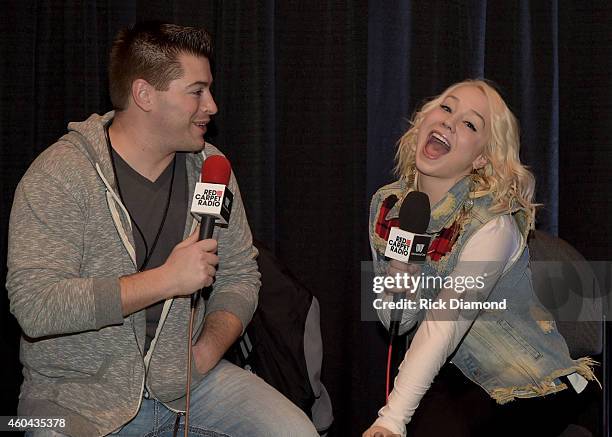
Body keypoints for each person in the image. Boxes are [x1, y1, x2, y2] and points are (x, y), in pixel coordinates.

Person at [6, 22, 318, 437]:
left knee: (295, 432)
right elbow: (36, 306)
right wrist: (165, 280)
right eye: (197, 91)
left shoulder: (212, 169)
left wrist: (204, 353)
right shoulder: (60, 175)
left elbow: (241, 275)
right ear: (144, 94)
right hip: (70, 400)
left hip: (189, 385)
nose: (212, 105)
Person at [363, 80, 597, 437]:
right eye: (446, 108)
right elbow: (396, 320)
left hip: (525, 381)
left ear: (482, 157)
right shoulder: (392, 207)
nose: (449, 122)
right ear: (425, 118)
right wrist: (401, 275)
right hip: (457, 372)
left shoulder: (492, 225)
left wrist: (392, 419)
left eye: (470, 123)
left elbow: (444, 323)